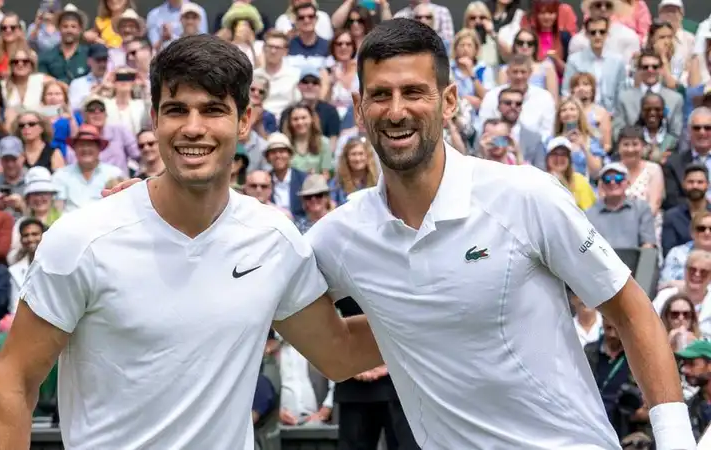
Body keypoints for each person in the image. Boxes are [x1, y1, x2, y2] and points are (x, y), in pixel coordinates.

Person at [105, 19, 695, 449]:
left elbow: (630, 309)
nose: (397, 110)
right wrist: (142, 208)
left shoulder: (528, 195)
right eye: (380, 96)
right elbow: (331, 347)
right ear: (359, 108)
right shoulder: (337, 238)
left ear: (450, 100)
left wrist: (676, 443)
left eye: (414, 92)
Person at [0, 35, 382, 449]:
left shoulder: (274, 240)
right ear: (154, 119)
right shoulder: (82, 239)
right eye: (176, 110)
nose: (194, 128)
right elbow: (13, 384)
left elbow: (340, 353)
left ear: (244, 121)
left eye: (213, 110)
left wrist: (446, 310)